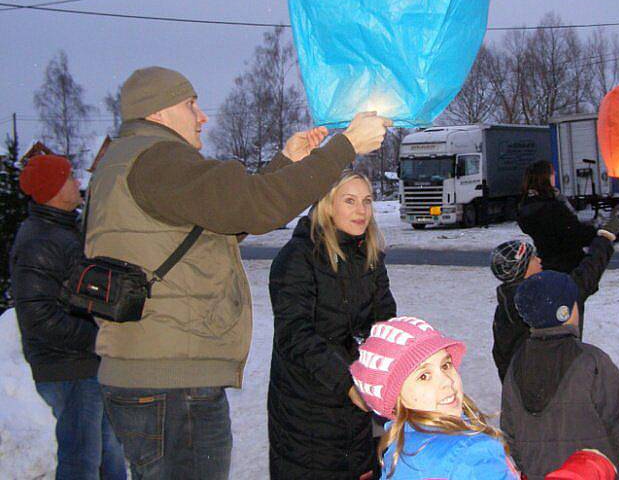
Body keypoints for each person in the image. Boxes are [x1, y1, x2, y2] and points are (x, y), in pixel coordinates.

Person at [85, 66, 391, 479]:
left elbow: (226, 216)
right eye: (190, 104)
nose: (202, 116)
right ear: (158, 112)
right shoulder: (156, 159)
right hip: (170, 379)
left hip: (156, 371)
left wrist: (286, 162)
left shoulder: (130, 162)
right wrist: (345, 146)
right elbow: (255, 207)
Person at [267, 170, 397, 478]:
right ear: (327, 205)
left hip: (359, 398)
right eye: (350, 201)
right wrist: (347, 381)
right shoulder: (297, 257)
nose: (361, 211)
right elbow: (295, 335)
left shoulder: (370, 254)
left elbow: (385, 320)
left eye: (367, 201)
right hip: (307, 406)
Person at [10, 154, 126, 480]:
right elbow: (39, 317)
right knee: (81, 461)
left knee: (109, 453)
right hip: (68, 370)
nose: (77, 182)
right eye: (69, 177)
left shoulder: (59, 230)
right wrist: (98, 338)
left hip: (84, 365)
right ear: (53, 189)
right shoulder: (39, 241)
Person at [500, 272, 619, 480]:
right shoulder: (591, 361)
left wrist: (527, 468)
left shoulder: (518, 363)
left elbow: (510, 430)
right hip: (593, 474)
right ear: (564, 312)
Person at [350, 315, 520, 479]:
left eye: (446, 365)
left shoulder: (400, 448)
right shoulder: (473, 456)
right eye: (424, 376)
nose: (447, 381)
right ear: (395, 397)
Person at [490, 215, 619, 381]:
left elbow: (501, 357)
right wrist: (604, 238)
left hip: (525, 391)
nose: (539, 260)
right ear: (521, 268)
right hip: (554, 387)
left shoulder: (505, 303)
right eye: (532, 258)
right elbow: (583, 280)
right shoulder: (538, 299)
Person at [517, 160, 599, 273]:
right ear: (545, 177)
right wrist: (601, 233)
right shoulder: (552, 208)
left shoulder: (527, 206)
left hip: (546, 262)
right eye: (552, 173)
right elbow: (573, 234)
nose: (554, 175)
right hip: (567, 266)